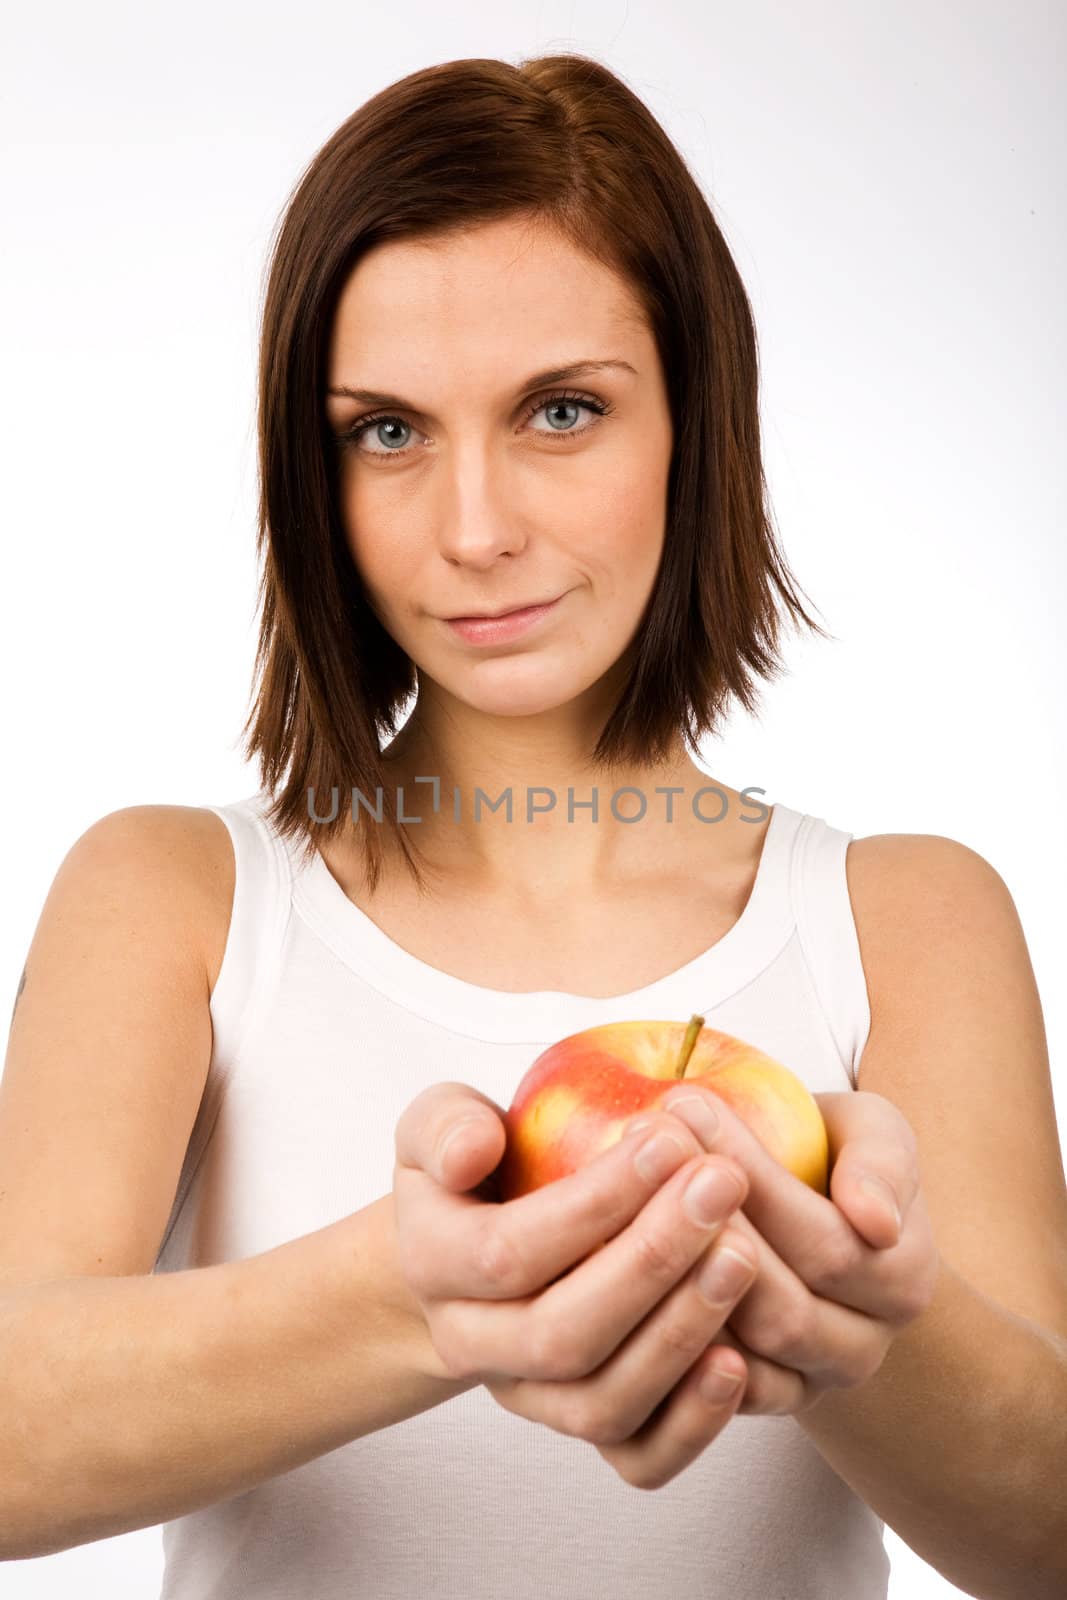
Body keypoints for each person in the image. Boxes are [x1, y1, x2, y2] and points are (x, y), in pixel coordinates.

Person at [2, 50, 1065, 1600]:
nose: (476, 526)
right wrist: (416, 1299)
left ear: (697, 420)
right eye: (386, 431)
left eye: (561, 411)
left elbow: (1050, 1536)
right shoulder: (176, 894)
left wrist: (874, 1321)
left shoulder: (907, 918)